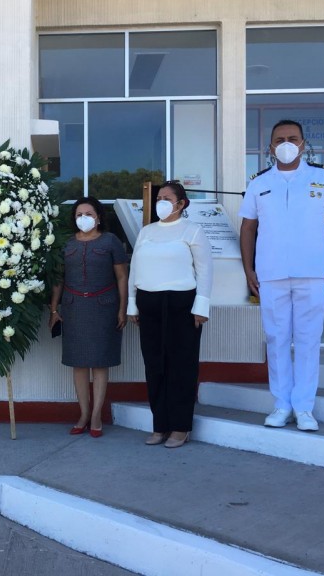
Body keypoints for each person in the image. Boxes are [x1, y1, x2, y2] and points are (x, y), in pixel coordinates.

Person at [240, 119, 324, 432]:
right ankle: (281, 404)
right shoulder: (259, 183)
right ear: (271, 147)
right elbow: (248, 228)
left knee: (307, 340)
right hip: (270, 274)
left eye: (292, 138)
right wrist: (249, 268)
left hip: (313, 272)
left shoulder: (322, 177)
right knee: (276, 340)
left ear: (303, 143)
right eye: (279, 139)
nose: (286, 143)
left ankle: (304, 407)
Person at [127, 181, 212, 449]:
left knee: (181, 366)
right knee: (154, 366)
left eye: (166, 197)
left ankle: (180, 426)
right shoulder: (147, 232)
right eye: (158, 197)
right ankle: (160, 425)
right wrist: (132, 304)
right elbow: (135, 269)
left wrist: (201, 306)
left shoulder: (193, 231)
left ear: (181, 203)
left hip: (181, 304)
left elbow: (205, 271)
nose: (161, 202)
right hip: (148, 303)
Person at [49, 197, 128, 438]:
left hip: (104, 306)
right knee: (79, 363)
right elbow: (58, 279)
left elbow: (122, 277)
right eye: (79, 214)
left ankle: (96, 415)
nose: (84, 218)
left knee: (100, 362)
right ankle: (83, 414)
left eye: (88, 214)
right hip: (74, 308)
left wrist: (123, 308)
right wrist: (54, 309)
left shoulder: (110, 241)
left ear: (99, 217)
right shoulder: (66, 243)